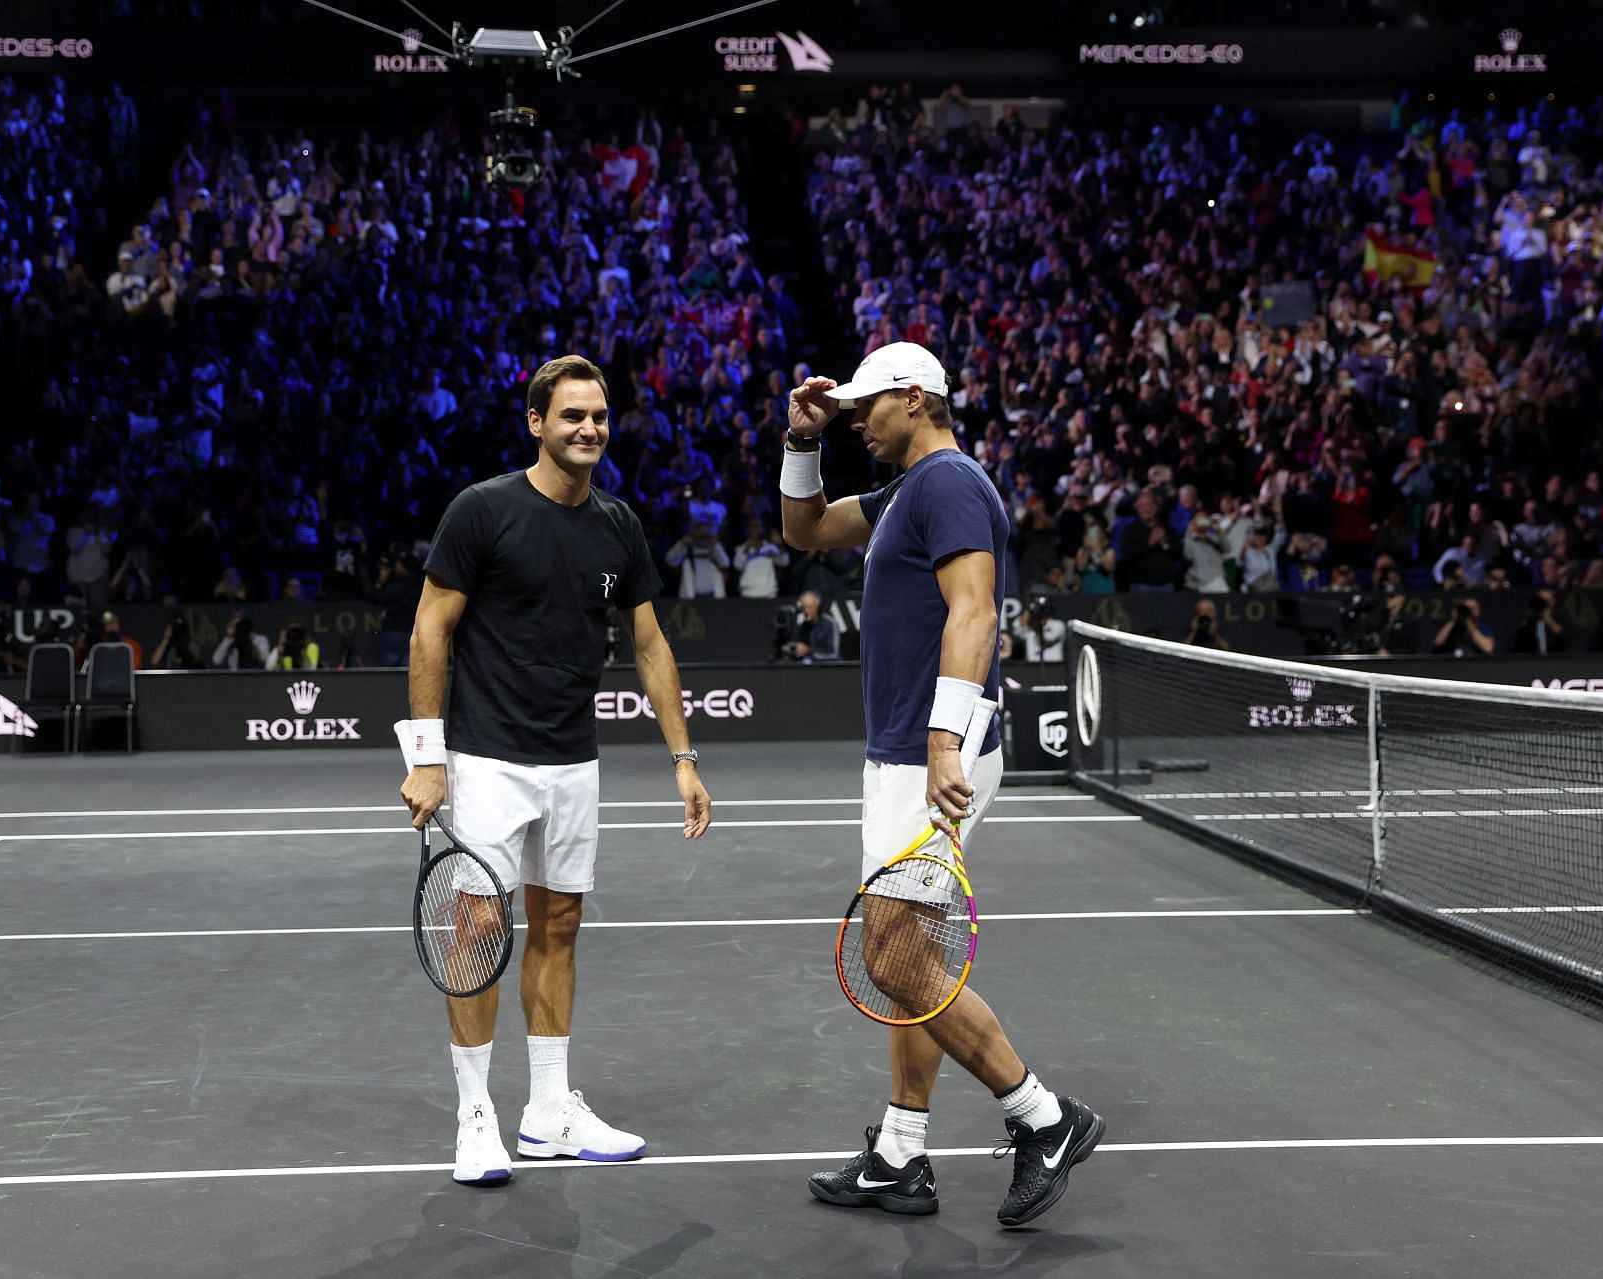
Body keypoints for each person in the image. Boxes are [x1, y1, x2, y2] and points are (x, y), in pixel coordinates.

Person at [781, 341, 1101, 1228]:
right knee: (909, 958)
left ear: (913, 398)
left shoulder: (953, 481)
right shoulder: (899, 494)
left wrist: (943, 738)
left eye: (864, 409)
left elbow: (976, 607)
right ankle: (899, 1154)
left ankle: (1044, 1117)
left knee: (891, 953)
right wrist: (800, 442)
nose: (857, 421)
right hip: (903, 751)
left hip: (931, 753)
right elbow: (803, 531)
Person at [399, 354, 713, 1188]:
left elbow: (650, 645)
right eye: (572, 415)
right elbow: (431, 627)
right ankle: (476, 1116)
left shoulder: (618, 525)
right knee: (476, 933)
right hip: (485, 759)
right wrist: (427, 760)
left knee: (560, 927)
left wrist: (683, 757)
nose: (589, 429)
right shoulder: (483, 511)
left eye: (599, 416)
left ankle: (548, 1111)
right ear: (536, 423)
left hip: (573, 760)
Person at [788, 590, 840, 662]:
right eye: (804, 607)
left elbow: (834, 654)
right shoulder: (802, 626)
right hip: (808, 669)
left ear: (818, 607)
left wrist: (809, 651)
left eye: (810, 607)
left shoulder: (829, 624)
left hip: (830, 669)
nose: (806, 611)